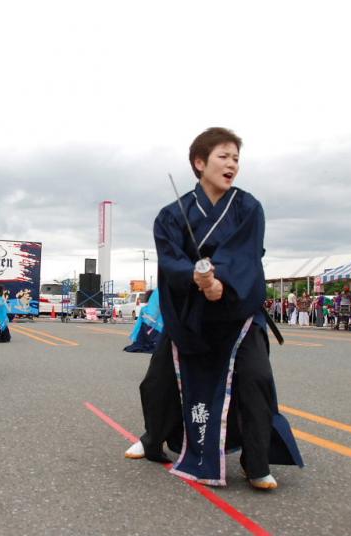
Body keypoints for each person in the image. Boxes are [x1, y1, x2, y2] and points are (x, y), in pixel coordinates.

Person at [124, 127, 302, 490]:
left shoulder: (248, 208)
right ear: (200, 163)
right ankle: (152, 438)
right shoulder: (170, 215)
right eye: (223, 156)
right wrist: (195, 276)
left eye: (236, 158)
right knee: (159, 381)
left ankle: (256, 462)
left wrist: (221, 282)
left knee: (255, 379)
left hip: (236, 309)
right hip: (191, 312)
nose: (232, 164)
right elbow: (169, 259)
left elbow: (245, 255)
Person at [123, 288, 163, 353]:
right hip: (160, 335)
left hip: (146, 334)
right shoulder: (161, 309)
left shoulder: (144, 309)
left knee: (144, 326)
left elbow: (138, 325)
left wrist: (135, 337)